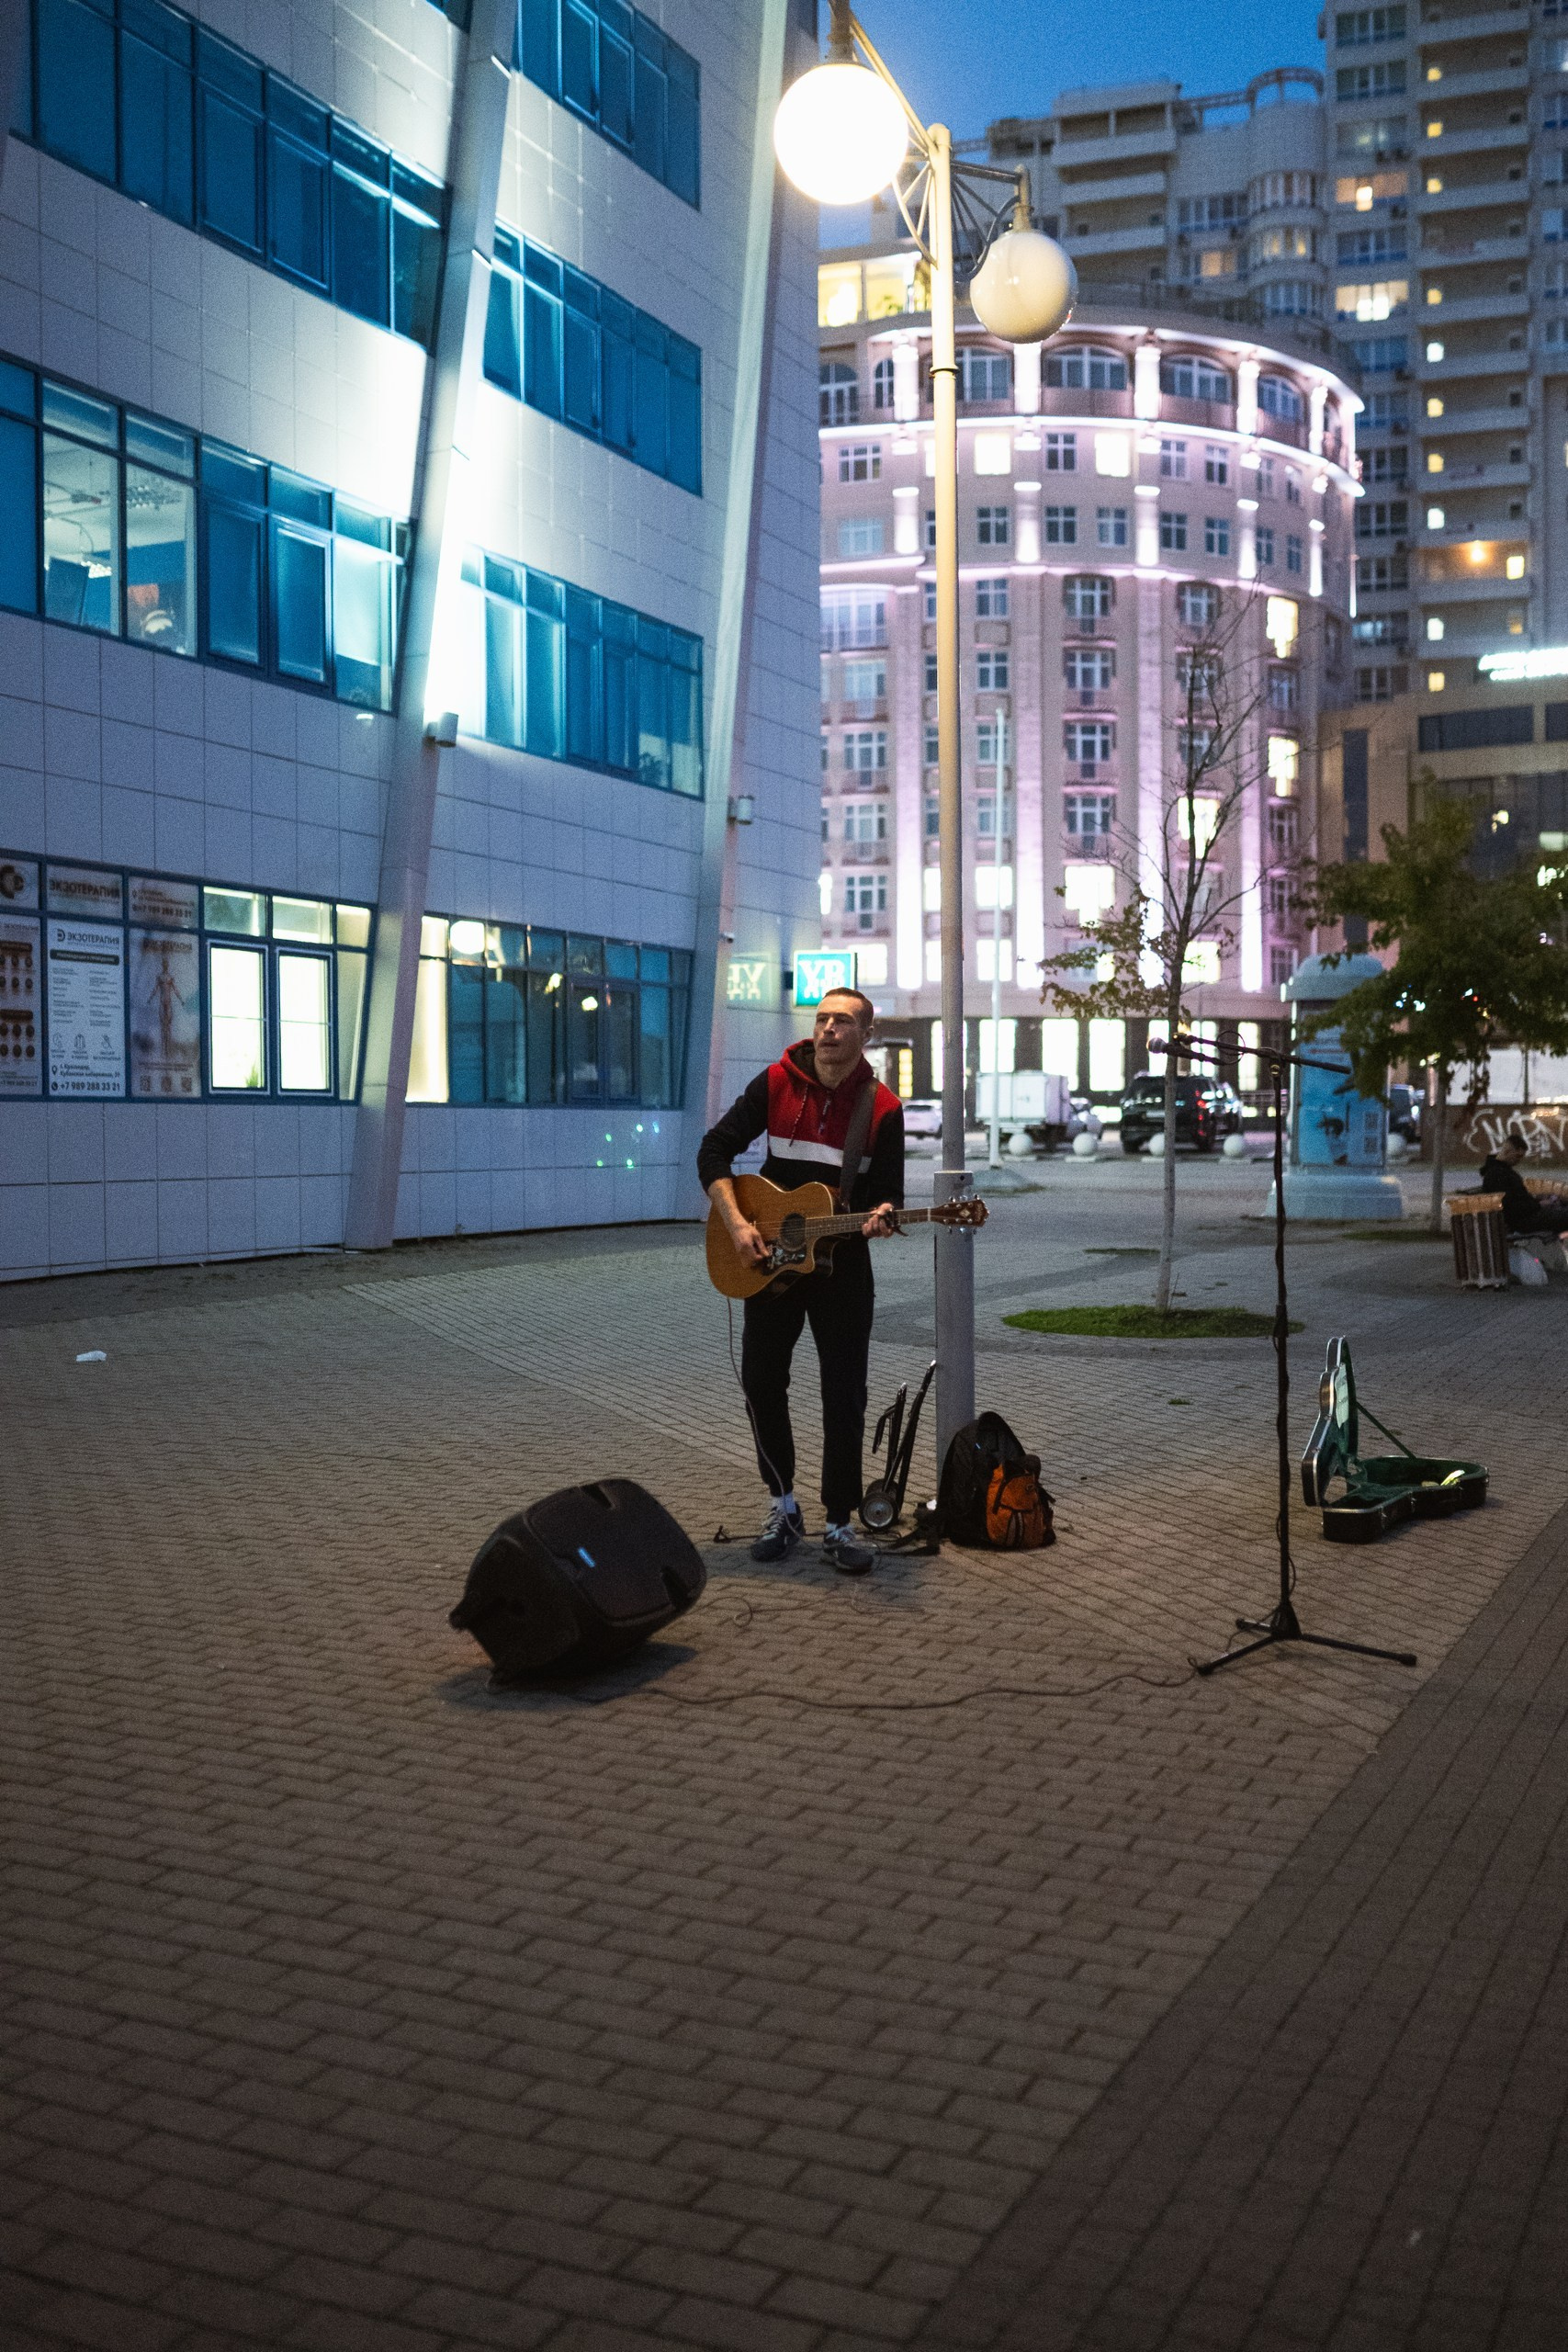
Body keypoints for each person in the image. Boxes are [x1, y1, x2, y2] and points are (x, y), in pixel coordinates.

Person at [698, 989, 904, 1575]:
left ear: (865, 1034)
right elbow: (713, 1150)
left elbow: (890, 1191)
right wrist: (737, 1225)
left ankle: (840, 1522)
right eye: (823, 1019)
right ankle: (782, 1506)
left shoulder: (882, 1107)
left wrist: (883, 1216)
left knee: (844, 1394)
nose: (829, 1028)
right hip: (768, 1258)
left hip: (841, 1267)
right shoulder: (775, 1083)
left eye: (844, 1021)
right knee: (762, 1383)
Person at [1476, 1130, 1568, 1236]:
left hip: (1528, 1216)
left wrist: (1538, 1201)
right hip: (1523, 1221)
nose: (1518, 1161)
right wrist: (1538, 1204)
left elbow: (1518, 1198)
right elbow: (1512, 1207)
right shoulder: (1497, 1175)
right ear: (1508, 1151)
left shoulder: (1501, 1171)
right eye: (1518, 1156)